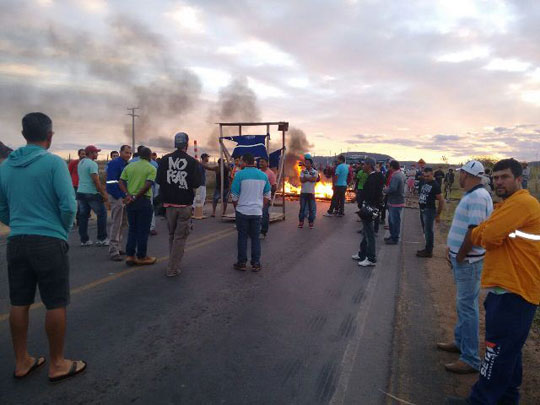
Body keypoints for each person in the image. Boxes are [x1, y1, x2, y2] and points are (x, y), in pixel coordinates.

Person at [0, 112, 86, 382]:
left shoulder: (5, 167)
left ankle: (22, 360)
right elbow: (68, 205)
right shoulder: (53, 163)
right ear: (50, 136)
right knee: (55, 302)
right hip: (48, 241)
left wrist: (17, 224)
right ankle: (57, 363)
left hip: (17, 241)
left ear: (24, 134)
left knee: (19, 302)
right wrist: (60, 230)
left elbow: (2, 208)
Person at [446, 158, 540, 405]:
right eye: (496, 177)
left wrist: (480, 234)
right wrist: (486, 232)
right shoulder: (508, 205)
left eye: (505, 177)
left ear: (519, 179)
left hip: (515, 290)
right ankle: (508, 398)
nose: (499, 181)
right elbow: (489, 231)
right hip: (509, 287)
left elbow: (487, 234)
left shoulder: (522, 203)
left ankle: (479, 401)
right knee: (509, 353)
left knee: (496, 352)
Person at [440, 161, 493, 375]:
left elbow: (474, 231)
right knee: (464, 305)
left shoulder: (478, 197)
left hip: (468, 261)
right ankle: (460, 342)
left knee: (468, 308)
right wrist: (452, 249)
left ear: (466, 174)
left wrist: (460, 255)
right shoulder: (473, 194)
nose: (457, 177)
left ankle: (470, 357)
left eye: (460, 173)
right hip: (463, 258)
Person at [156, 132, 201, 277]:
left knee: (172, 235)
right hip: (184, 205)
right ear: (186, 144)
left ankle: (173, 261)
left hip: (168, 205)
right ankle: (173, 268)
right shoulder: (192, 162)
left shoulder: (164, 160)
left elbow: (159, 181)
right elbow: (196, 184)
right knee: (180, 237)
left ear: (175, 144)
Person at [231, 153, 271, 272]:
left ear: (245, 162)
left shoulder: (239, 175)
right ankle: (256, 263)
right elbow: (267, 195)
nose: (240, 163)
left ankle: (242, 263)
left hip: (242, 211)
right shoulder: (263, 176)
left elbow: (234, 195)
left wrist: (237, 207)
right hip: (256, 212)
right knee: (255, 238)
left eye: (241, 161)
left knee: (242, 237)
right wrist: (260, 206)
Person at [119, 146, 157, 266]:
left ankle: (130, 256)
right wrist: (136, 196)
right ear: (150, 156)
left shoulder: (129, 166)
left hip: (130, 202)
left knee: (132, 229)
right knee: (143, 230)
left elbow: (121, 181)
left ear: (140, 155)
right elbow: (147, 185)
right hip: (143, 201)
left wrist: (128, 195)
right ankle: (141, 256)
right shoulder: (151, 168)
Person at [352, 158, 384, 267]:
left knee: (369, 233)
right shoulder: (375, 176)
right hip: (371, 206)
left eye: (364, 164)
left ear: (369, 165)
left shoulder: (373, 178)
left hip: (370, 207)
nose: (362, 166)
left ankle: (371, 258)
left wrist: (363, 203)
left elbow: (371, 195)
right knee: (366, 232)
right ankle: (362, 254)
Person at [77, 144, 109, 247]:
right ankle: (102, 238)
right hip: (91, 193)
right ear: (90, 153)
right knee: (102, 214)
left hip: (81, 192)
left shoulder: (81, 163)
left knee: (83, 217)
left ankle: (84, 240)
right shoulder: (92, 164)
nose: (97, 154)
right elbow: (96, 180)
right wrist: (103, 194)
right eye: (96, 152)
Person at [106, 145, 132, 261]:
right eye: (126, 152)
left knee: (122, 223)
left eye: (130, 153)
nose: (128, 155)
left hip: (124, 197)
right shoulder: (115, 163)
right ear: (121, 152)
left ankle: (118, 247)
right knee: (116, 223)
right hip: (117, 197)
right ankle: (113, 250)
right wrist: (121, 197)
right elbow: (111, 182)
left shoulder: (126, 164)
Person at [417, 167, 444, 258]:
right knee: (425, 230)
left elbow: (441, 200)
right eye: (424, 176)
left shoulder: (435, 185)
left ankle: (429, 251)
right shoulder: (425, 182)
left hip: (429, 210)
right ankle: (427, 248)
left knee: (429, 231)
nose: (426, 177)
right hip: (423, 209)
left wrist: (438, 215)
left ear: (432, 174)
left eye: (428, 176)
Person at [384, 160, 405, 245]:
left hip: (395, 202)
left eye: (389, 166)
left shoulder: (396, 176)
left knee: (394, 221)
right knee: (392, 220)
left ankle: (394, 238)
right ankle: (392, 236)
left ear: (392, 167)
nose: (388, 167)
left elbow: (393, 189)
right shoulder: (400, 174)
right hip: (396, 201)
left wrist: (385, 190)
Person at [298, 155, 318, 229]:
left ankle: (311, 222)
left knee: (311, 209)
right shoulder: (302, 171)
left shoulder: (315, 171)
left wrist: (306, 178)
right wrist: (309, 178)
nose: (306, 164)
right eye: (305, 163)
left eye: (308, 163)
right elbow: (301, 180)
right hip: (303, 192)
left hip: (311, 193)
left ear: (311, 164)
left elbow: (314, 179)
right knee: (302, 208)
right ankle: (301, 222)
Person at [259, 157, 277, 238]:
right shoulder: (258, 172)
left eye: (262, 162)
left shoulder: (270, 173)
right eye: (260, 162)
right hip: (257, 197)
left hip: (266, 197)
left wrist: (271, 195)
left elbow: (274, 186)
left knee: (265, 213)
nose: (261, 163)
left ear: (267, 163)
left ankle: (263, 231)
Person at [68, 149, 85, 226]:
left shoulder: (87, 163)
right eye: (82, 154)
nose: (83, 155)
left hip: (84, 186)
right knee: (75, 203)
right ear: (79, 155)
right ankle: (71, 220)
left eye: (85, 154)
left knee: (82, 204)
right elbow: (68, 172)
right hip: (74, 186)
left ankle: (79, 220)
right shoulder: (74, 163)